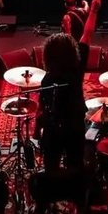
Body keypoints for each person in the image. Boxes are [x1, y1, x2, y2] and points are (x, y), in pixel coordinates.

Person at [36, 32, 87, 172]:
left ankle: (52, 188)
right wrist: (94, 11)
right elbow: (87, 35)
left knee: (50, 166)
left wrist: (37, 129)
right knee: (76, 164)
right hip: (74, 127)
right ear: (73, 53)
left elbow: (43, 106)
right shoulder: (76, 73)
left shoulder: (47, 80)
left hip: (52, 130)